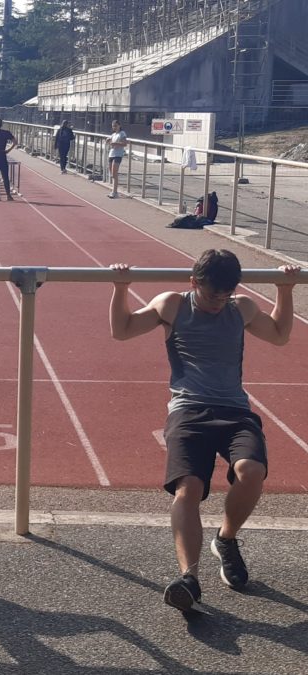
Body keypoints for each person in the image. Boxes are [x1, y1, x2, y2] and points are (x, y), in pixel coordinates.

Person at [109, 250, 300, 613]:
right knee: (189, 488)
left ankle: (226, 540)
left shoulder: (240, 308)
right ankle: (189, 578)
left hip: (234, 410)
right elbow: (122, 331)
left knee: (252, 472)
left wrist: (285, 290)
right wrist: (120, 287)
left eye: (225, 295)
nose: (219, 302)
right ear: (194, 282)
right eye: (213, 295)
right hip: (188, 410)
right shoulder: (172, 305)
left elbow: (278, 335)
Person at [107, 119, 128, 198]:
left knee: (114, 172)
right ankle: (113, 190)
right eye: (113, 126)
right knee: (112, 173)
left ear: (119, 126)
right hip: (111, 154)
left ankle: (114, 192)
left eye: (116, 126)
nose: (114, 127)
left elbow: (125, 143)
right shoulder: (113, 134)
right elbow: (110, 143)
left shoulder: (122, 133)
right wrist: (108, 141)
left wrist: (116, 143)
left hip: (118, 154)